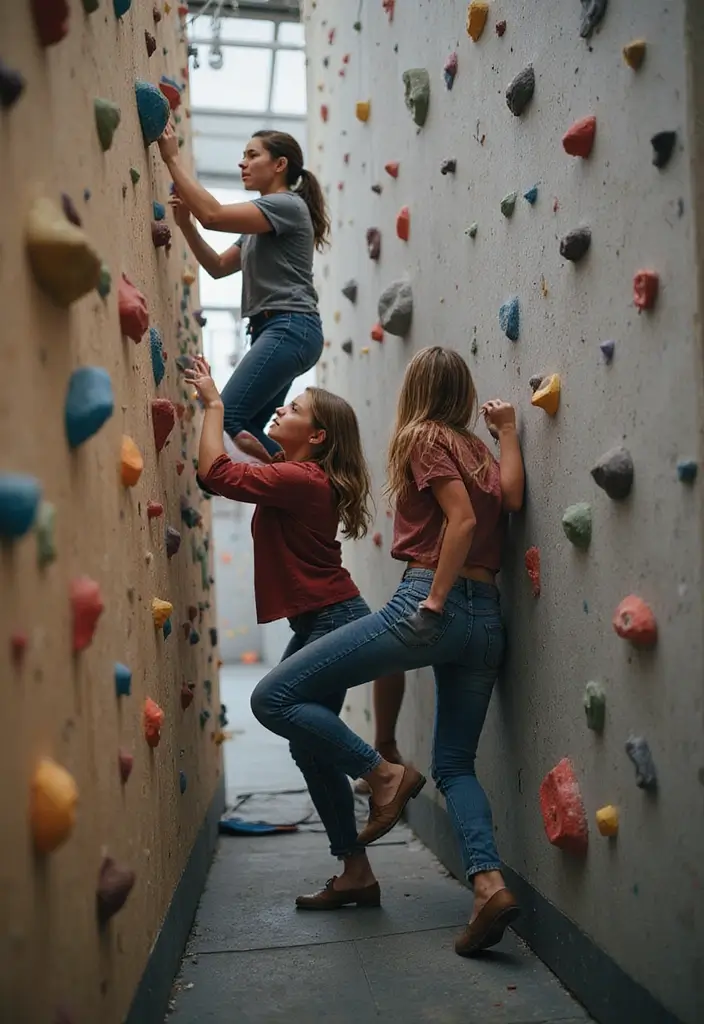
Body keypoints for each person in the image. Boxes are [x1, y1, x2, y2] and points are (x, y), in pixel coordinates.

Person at [251, 346, 526, 956]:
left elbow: (459, 522)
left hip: (436, 599)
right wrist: (507, 432)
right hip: (489, 621)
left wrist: (434, 600)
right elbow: (509, 499)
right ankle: (488, 886)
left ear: (416, 390)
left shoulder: (421, 437)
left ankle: (384, 774)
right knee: (454, 765)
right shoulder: (477, 448)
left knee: (274, 696)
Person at [185, 355, 400, 909]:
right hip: (323, 619)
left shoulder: (302, 479)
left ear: (318, 435)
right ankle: (355, 871)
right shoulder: (301, 476)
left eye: (294, 407)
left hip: (335, 618)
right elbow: (253, 454)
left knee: (271, 700)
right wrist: (242, 425)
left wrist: (215, 404)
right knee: (310, 749)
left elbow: (216, 474)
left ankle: (382, 775)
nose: (281, 408)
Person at [157, 124, 327, 462]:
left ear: (280, 165)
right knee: (246, 422)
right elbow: (219, 266)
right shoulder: (260, 224)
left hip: (291, 327)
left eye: (252, 155)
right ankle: (301, 476)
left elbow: (214, 215)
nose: (242, 163)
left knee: (230, 413)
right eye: (243, 156)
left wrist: (172, 159)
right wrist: (186, 226)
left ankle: (307, 483)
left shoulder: (287, 205)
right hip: (282, 330)